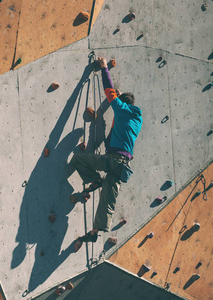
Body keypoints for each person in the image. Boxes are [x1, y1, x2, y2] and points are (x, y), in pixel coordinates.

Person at [70, 56, 143, 251]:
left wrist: (104, 68)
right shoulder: (137, 120)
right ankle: (95, 232)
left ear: (122, 103)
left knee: (79, 159)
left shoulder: (122, 109)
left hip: (113, 160)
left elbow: (109, 90)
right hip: (123, 165)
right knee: (108, 199)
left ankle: (95, 180)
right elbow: (118, 131)